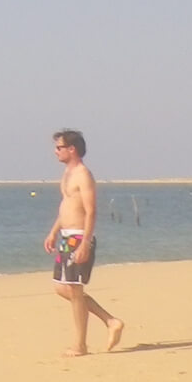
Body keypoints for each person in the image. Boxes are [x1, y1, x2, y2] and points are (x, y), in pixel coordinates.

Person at [43, 129, 125, 355]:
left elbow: (91, 211)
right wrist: (53, 232)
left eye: (59, 147)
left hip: (79, 237)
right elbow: (67, 207)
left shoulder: (83, 175)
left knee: (75, 291)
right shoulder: (67, 174)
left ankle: (80, 345)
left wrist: (85, 243)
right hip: (66, 237)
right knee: (62, 288)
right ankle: (110, 321)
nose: (55, 152)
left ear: (72, 149)